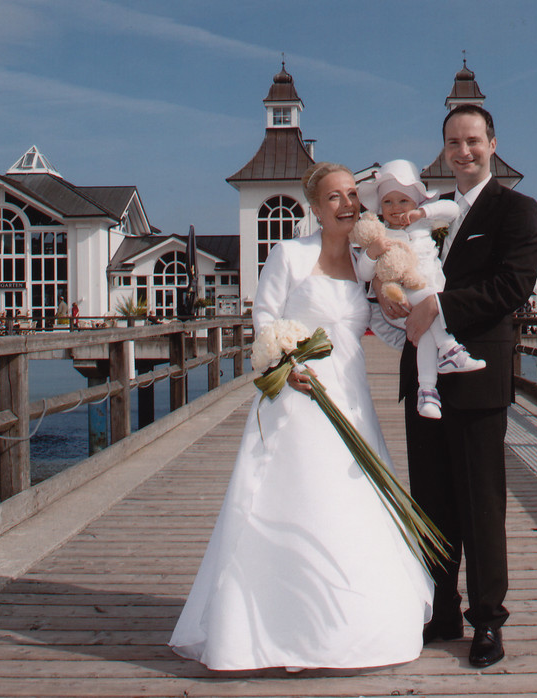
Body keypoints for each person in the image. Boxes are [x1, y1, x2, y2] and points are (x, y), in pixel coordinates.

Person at [169, 162, 432, 672]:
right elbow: (265, 320)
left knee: (354, 502)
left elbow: (392, 327)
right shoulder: (289, 255)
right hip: (298, 396)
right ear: (314, 207)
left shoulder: (363, 266)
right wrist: (284, 364)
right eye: (334, 197)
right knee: (296, 500)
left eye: (354, 194)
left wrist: (430, 317)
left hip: (350, 401)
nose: (347, 204)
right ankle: (273, 629)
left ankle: (352, 627)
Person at [377, 104, 537, 668]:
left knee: (480, 505)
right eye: (453, 142)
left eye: (473, 140)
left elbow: (510, 287)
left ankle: (488, 621)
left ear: (492, 143)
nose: (463, 151)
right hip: (422, 379)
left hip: (476, 376)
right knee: (432, 502)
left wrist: (436, 309)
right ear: (444, 149)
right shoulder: (426, 213)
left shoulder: (515, 210)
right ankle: (441, 609)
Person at [356, 159, 486, 419]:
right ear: (380, 207)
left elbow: (452, 210)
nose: (396, 208)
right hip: (402, 299)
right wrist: (372, 253)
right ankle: (449, 348)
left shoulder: (424, 224)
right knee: (427, 307)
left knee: (427, 331)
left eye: (404, 201)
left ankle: (427, 392)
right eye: (388, 202)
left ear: (416, 202)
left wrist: (422, 214)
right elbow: (364, 273)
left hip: (432, 298)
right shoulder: (380, 235)